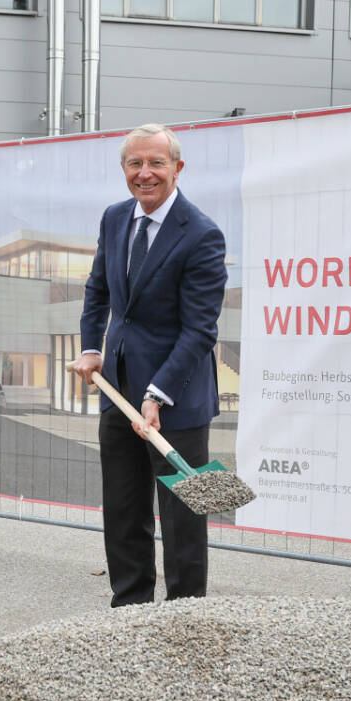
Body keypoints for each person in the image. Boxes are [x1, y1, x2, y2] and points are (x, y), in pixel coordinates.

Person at [71, 124, 228, 607]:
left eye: (156, 163)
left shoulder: (201, 234)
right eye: (135, 164)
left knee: (182, 518)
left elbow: (200, 331)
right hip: (116, 390)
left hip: (174, 400)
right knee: (123, 510)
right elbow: (98, 289)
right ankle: (130, 611)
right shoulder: (115, 219)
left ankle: (185, 618)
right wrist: (91, 347)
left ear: (177, 168)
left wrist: (158, 394)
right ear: (124, 170)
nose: (145, 174)